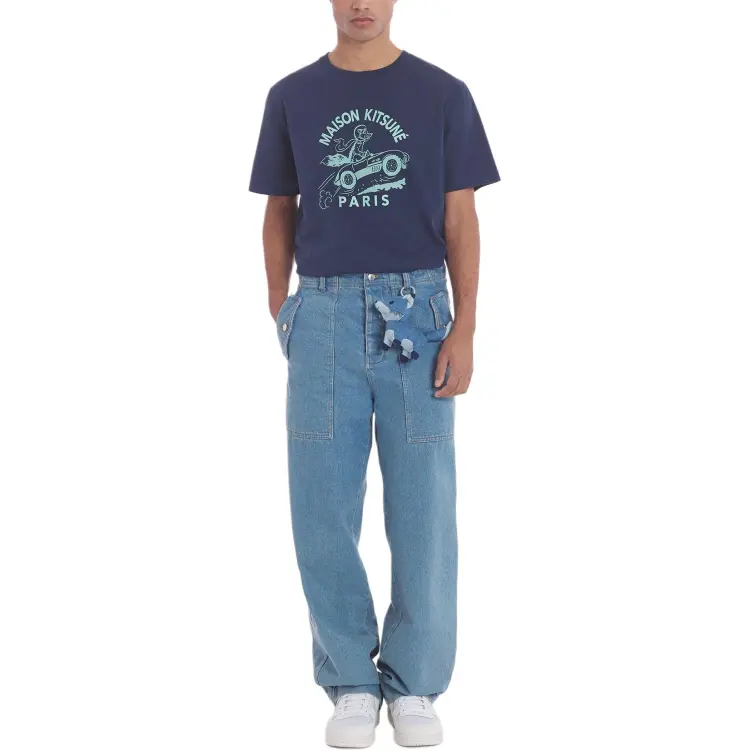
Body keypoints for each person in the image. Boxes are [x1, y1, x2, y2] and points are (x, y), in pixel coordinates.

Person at [248, 1, 500, 746]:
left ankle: (415, 683)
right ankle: (352, 680)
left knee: (424, 506)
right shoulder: (292, 96)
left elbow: (461, 216)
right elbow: (279, 210)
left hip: (416, 313)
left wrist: (465, 324)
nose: (362, 4)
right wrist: (283, 310)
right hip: (322, 312)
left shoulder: (443, 94)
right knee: (321, 505)